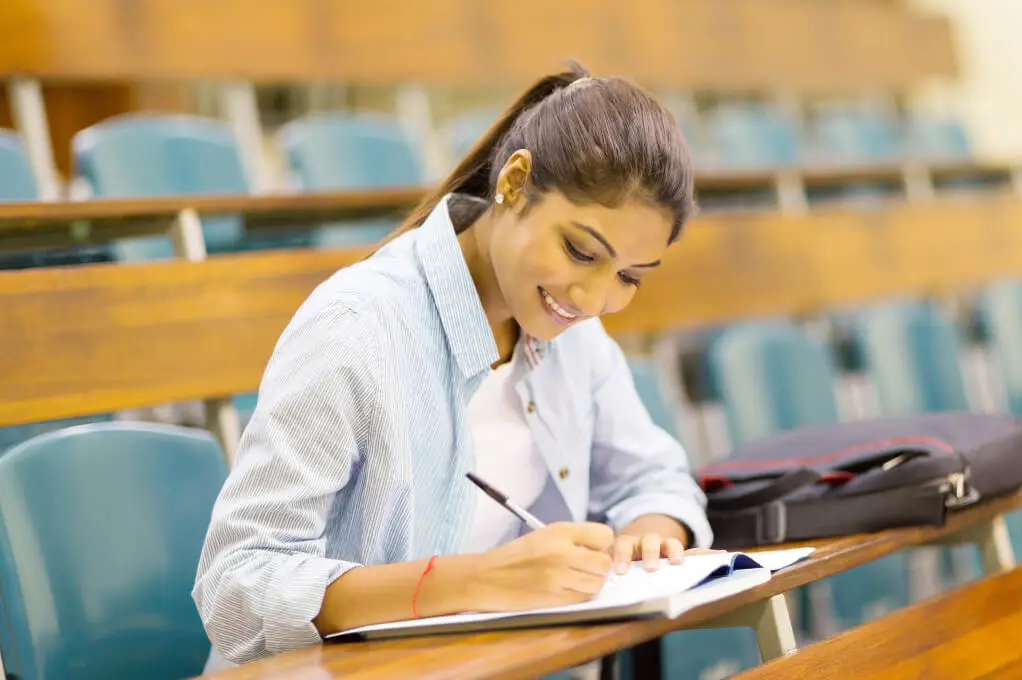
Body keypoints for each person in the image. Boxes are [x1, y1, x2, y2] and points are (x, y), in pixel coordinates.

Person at [192, 63, 712, 670]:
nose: (596, 299)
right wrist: (475, 582)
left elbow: (653, 474)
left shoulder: (575, 335)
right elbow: (237, 581)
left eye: (628, 277)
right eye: (580, 251)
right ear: (515, 181)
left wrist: (654, 527)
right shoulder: (357, 326)